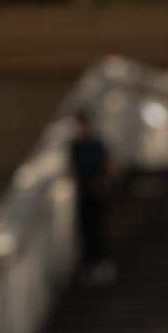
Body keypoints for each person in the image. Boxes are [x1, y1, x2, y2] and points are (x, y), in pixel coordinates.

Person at [67, 109, 116, 286]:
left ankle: (102, 263)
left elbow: (107, 164)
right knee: (85, 229)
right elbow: (72, 170)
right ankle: (89, 265)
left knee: (97, 227)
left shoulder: (97, 145)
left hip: (95, 193)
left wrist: (103, 183)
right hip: (84, 193)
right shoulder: (76, 146)